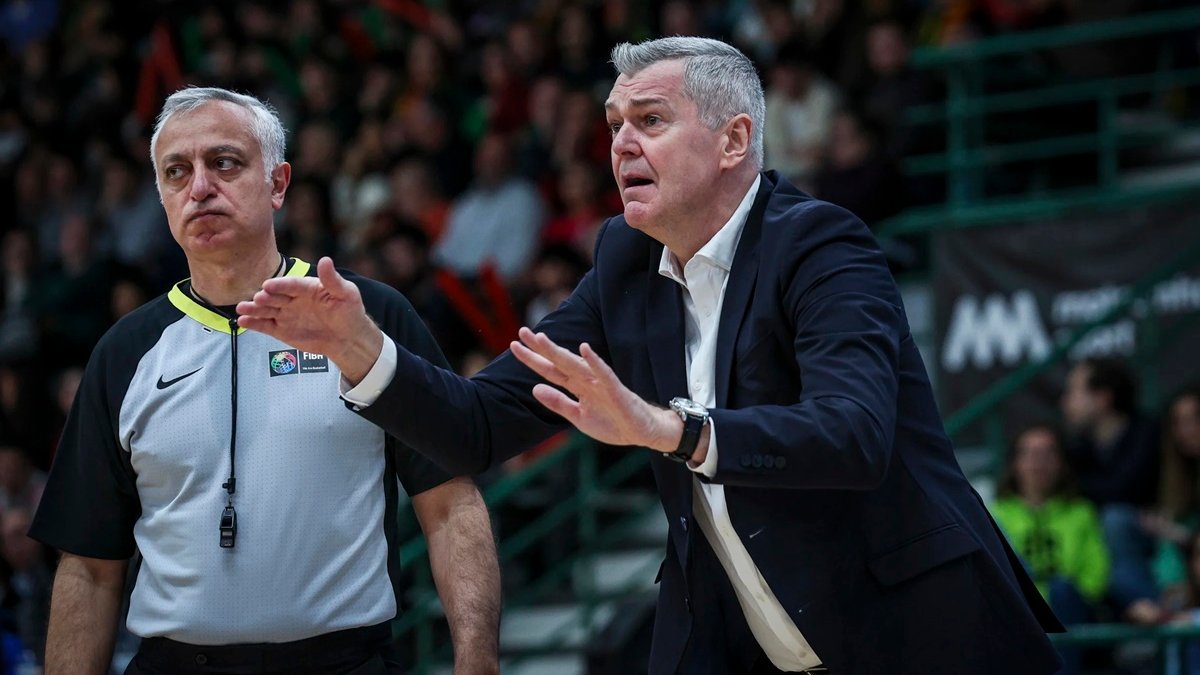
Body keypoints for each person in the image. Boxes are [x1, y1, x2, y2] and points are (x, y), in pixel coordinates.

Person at [239, 37, 1063, 674]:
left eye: (651, 121)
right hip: (743, 643)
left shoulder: (820, 245)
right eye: (614, 125)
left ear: (734, 140)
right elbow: (478, 426)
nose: (620, 145)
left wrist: (672, 429)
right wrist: (359, 349)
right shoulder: (625, 263)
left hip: (921, 635)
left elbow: (852, 434)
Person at [29, 87, 501, 675]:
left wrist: (478, 662)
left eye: (224, 162)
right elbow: (89, 565)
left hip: (343, 664)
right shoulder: (123, 352)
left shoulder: (366, 316)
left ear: (278, 184)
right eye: (177, 172)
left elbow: (450, 503)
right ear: (163, 197)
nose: (200, 187)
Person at [990, 424, 1109, 675]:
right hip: (1019, 612)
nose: (1039, 462)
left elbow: (1096, 574)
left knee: (1062, 590)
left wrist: (1053, 598)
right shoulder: (996, 514)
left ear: (1061, 463)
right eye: (1030, 453)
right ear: (1015, 462)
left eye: (1048, 453)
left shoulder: (1081, 512)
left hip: (1069, 610)